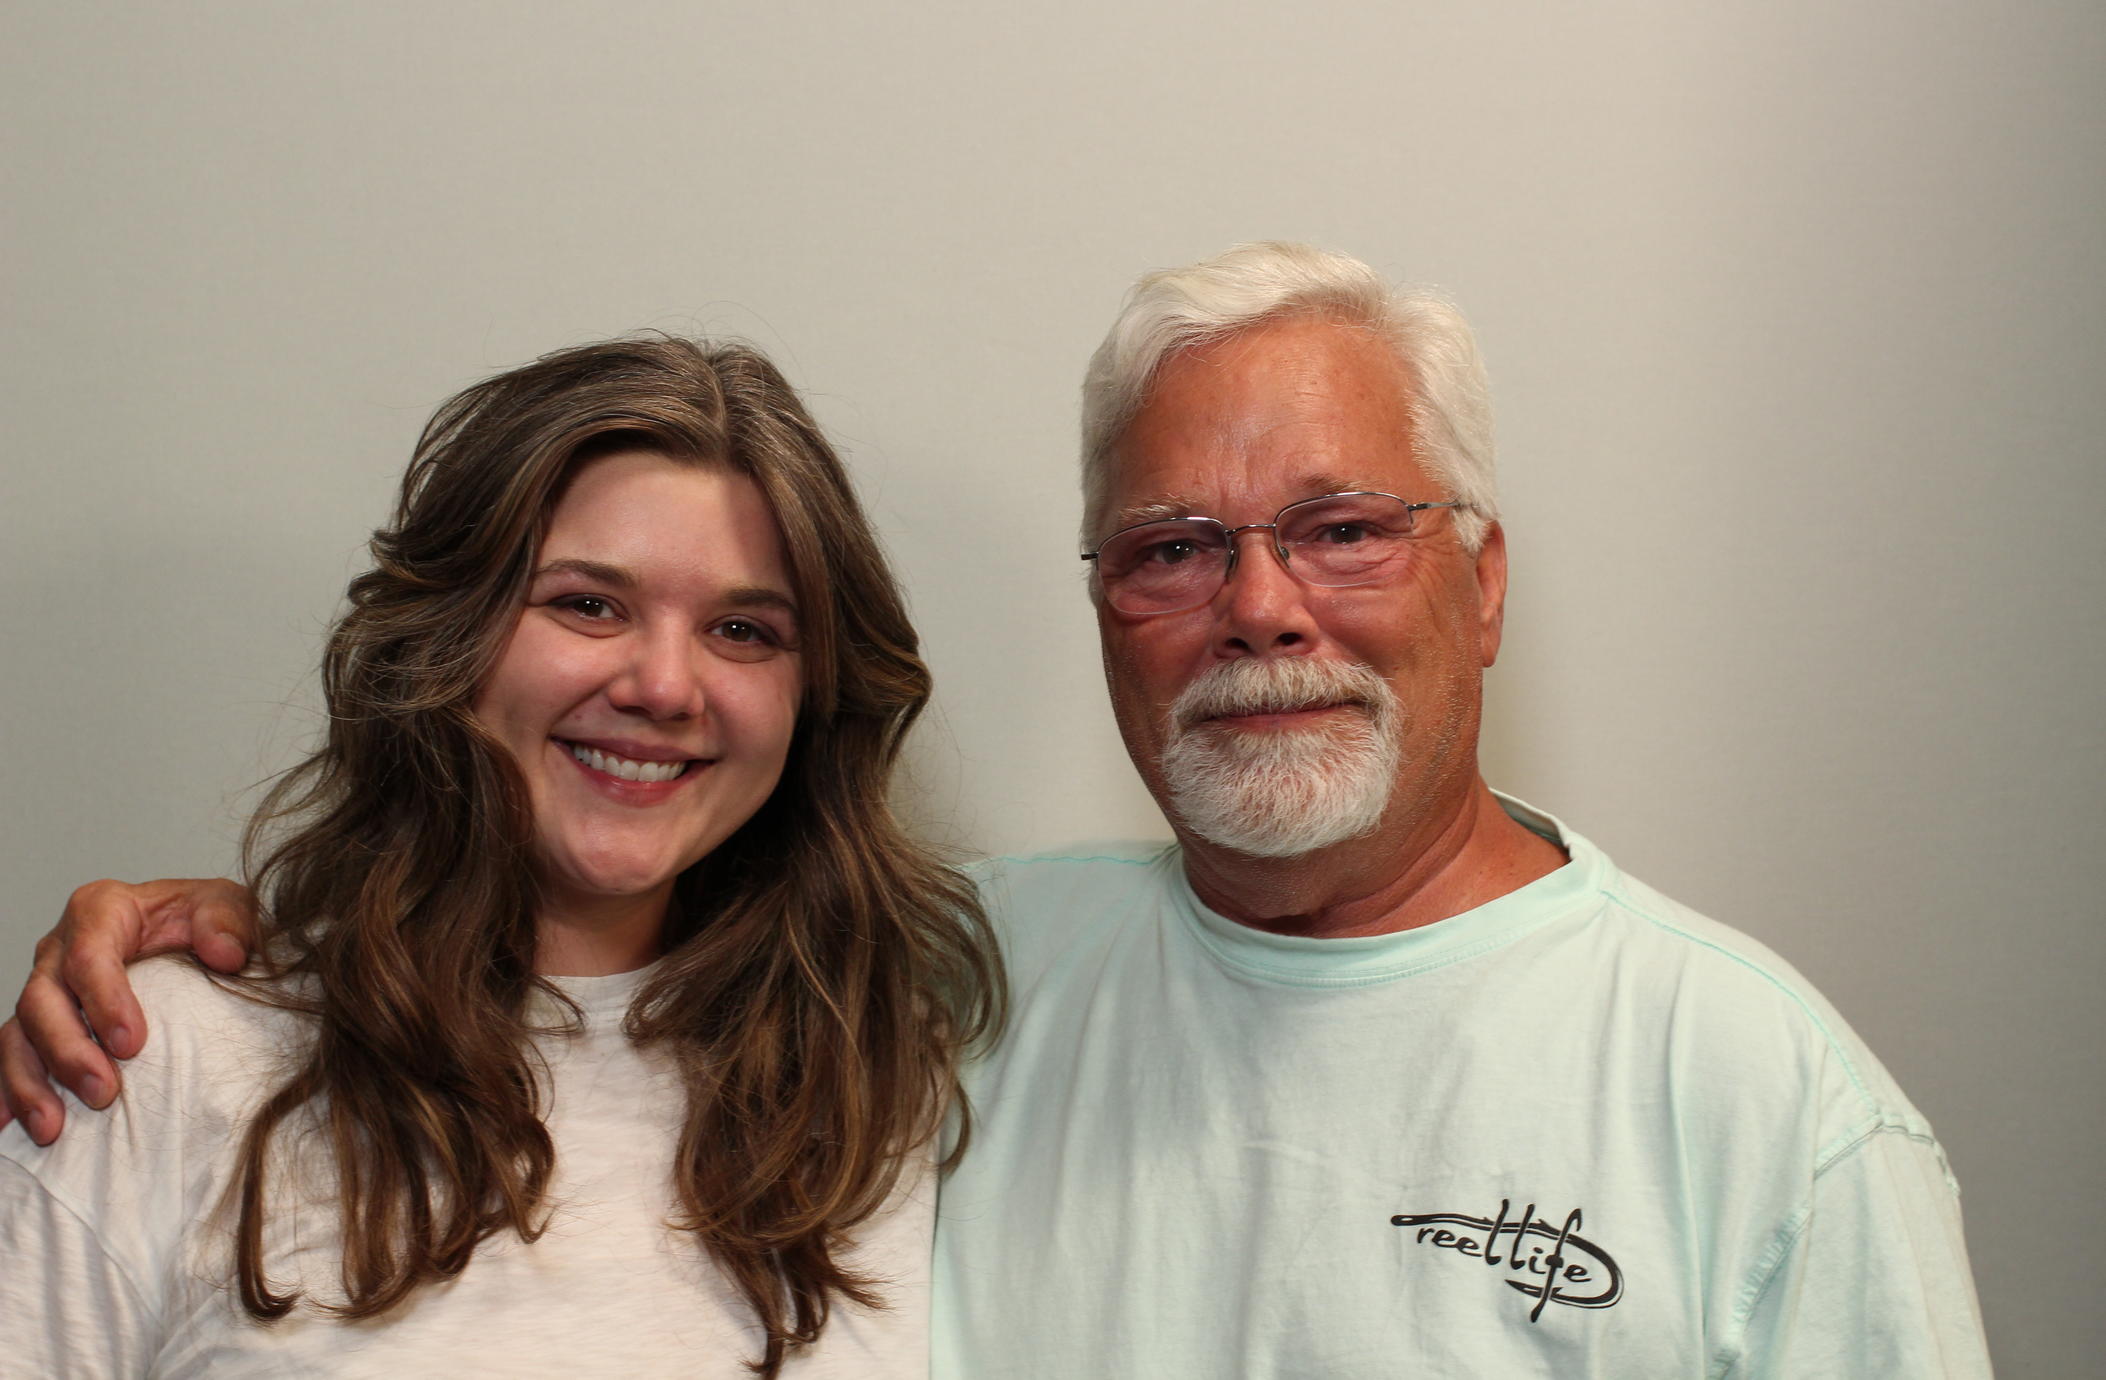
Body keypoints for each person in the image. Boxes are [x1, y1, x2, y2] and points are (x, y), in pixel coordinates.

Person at [4, 244, 1992, 1376]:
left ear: (1483, 578)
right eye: (1175, 547)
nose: (1262, 607)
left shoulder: (1763, 1101)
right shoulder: (958, 988)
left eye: (1344, 531)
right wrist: (228, 944)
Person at [0, 336, 1003, 1376]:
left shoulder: (891, 1088)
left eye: (743, 629)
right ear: (449, 639)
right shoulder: (157, 1055)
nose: (665, 685)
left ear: (811, 700)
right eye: (587, 604)